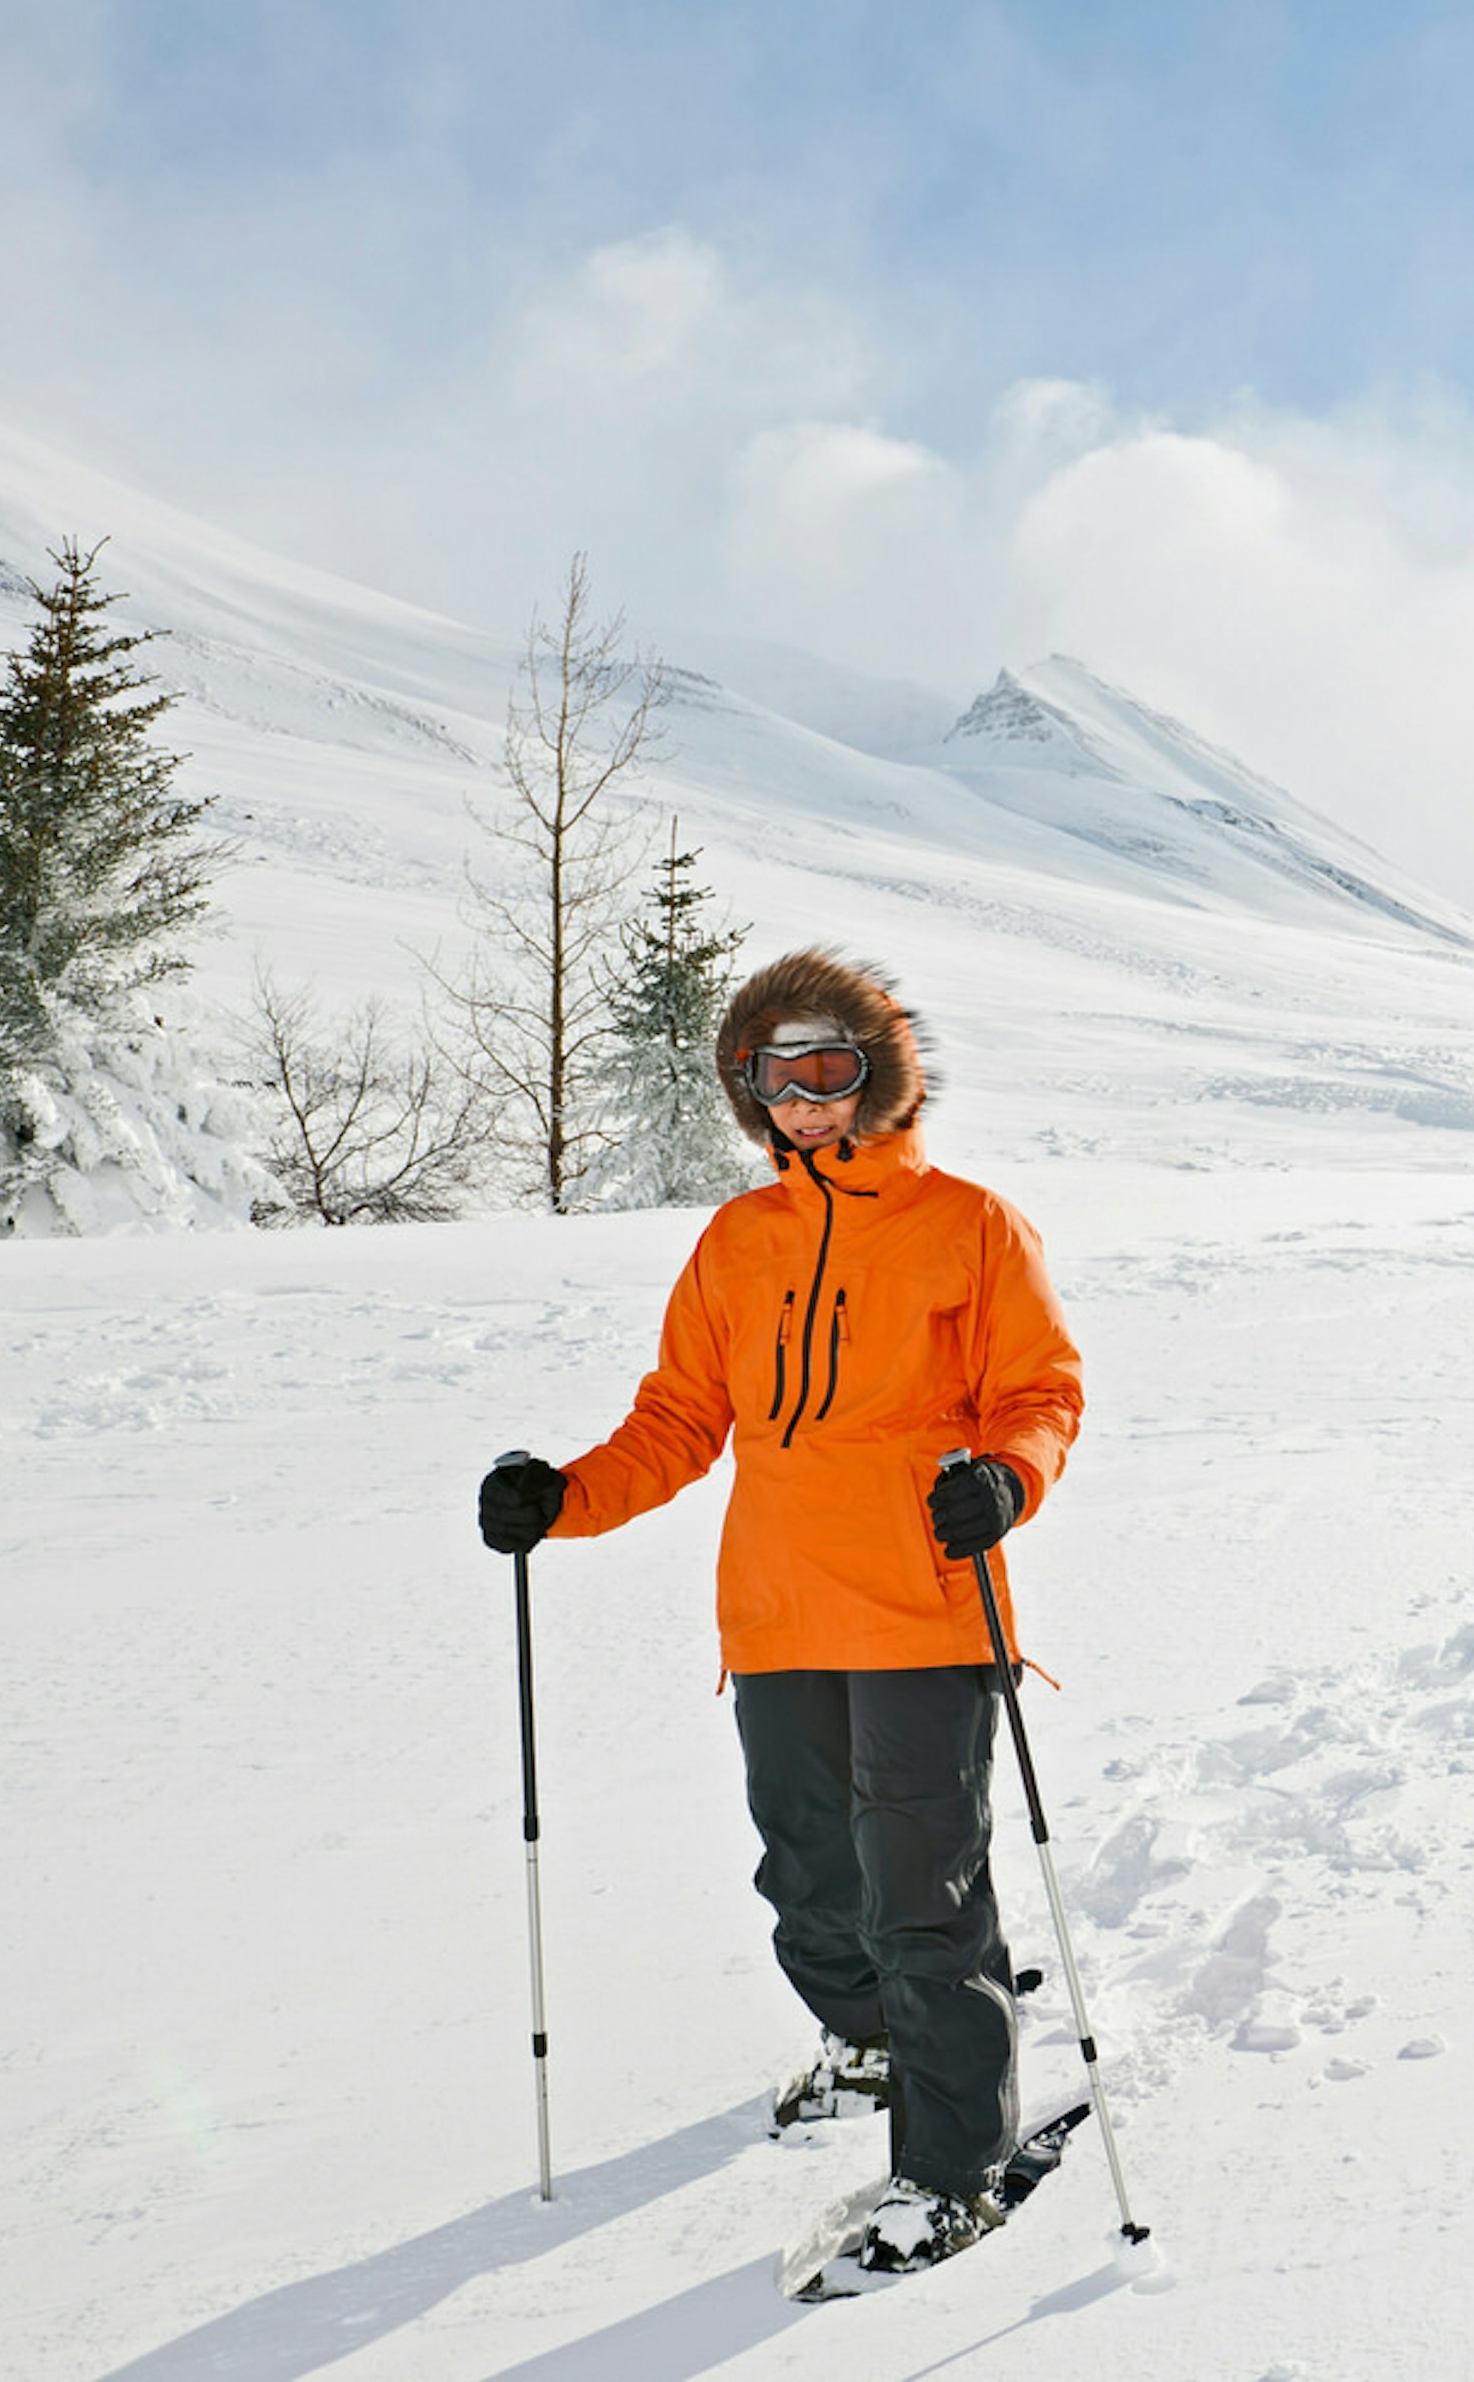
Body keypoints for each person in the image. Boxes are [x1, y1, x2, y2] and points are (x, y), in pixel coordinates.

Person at [475, 947, 1083, 2281]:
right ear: (749, 1092)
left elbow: (1039, 1390)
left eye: (832, 1068)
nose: (807, 1100)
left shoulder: (970, 1223)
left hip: (925, 1605)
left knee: (923, 1894)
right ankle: (860, 2034)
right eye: (778, 1075)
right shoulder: (737, 1243)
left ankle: (950, 2164)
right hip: (775, 1614)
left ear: (880, 1076)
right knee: (809, 1874)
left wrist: (1006, 1476)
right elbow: (683, 1421)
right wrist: (559, 1497)